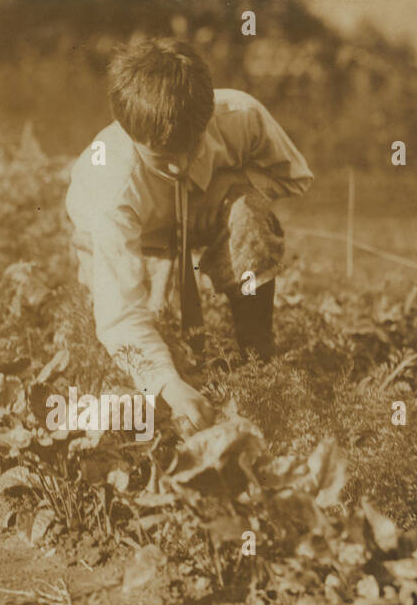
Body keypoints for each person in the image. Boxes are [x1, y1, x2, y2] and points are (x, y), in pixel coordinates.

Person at [65, 38, 313, 431]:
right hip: (133, 234)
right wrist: (169, 386)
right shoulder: (109, 186)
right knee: (132, 345)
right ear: (132, 135)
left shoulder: (241, 116)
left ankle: (257, 361)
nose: (180, 167)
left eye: (192, 148)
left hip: (202, 209)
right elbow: (120, 315)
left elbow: (293, 176)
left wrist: (228, 183)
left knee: (248, 213)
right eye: (164, 159)